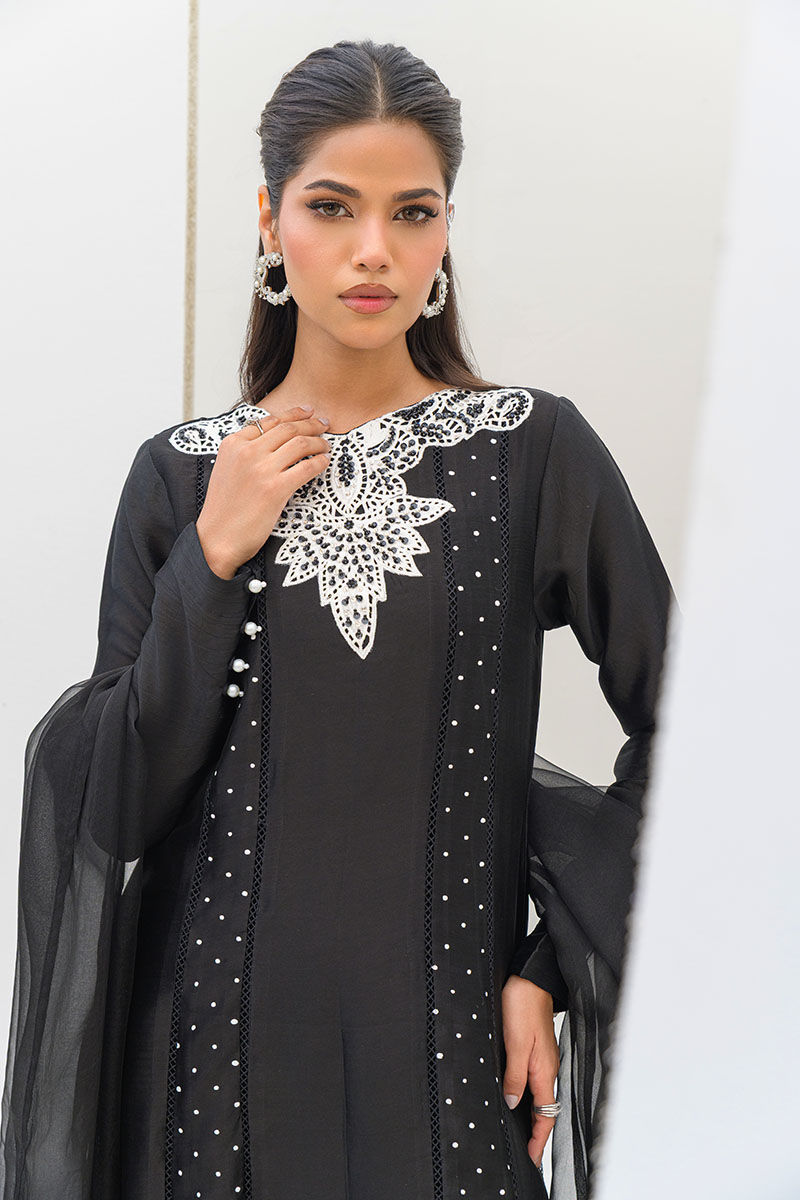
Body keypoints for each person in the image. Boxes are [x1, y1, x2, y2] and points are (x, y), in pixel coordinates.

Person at [0, 37, 676, 1200]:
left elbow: (698, 733)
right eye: (331, 207)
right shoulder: (180, 475)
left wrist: (547, 965)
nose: (374, 250)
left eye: (411, 212)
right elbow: (112, 801)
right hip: (211, 1078)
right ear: (270, 220)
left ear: (446, 229)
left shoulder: (530, 452)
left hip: (449, 1065)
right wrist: (212, 556)